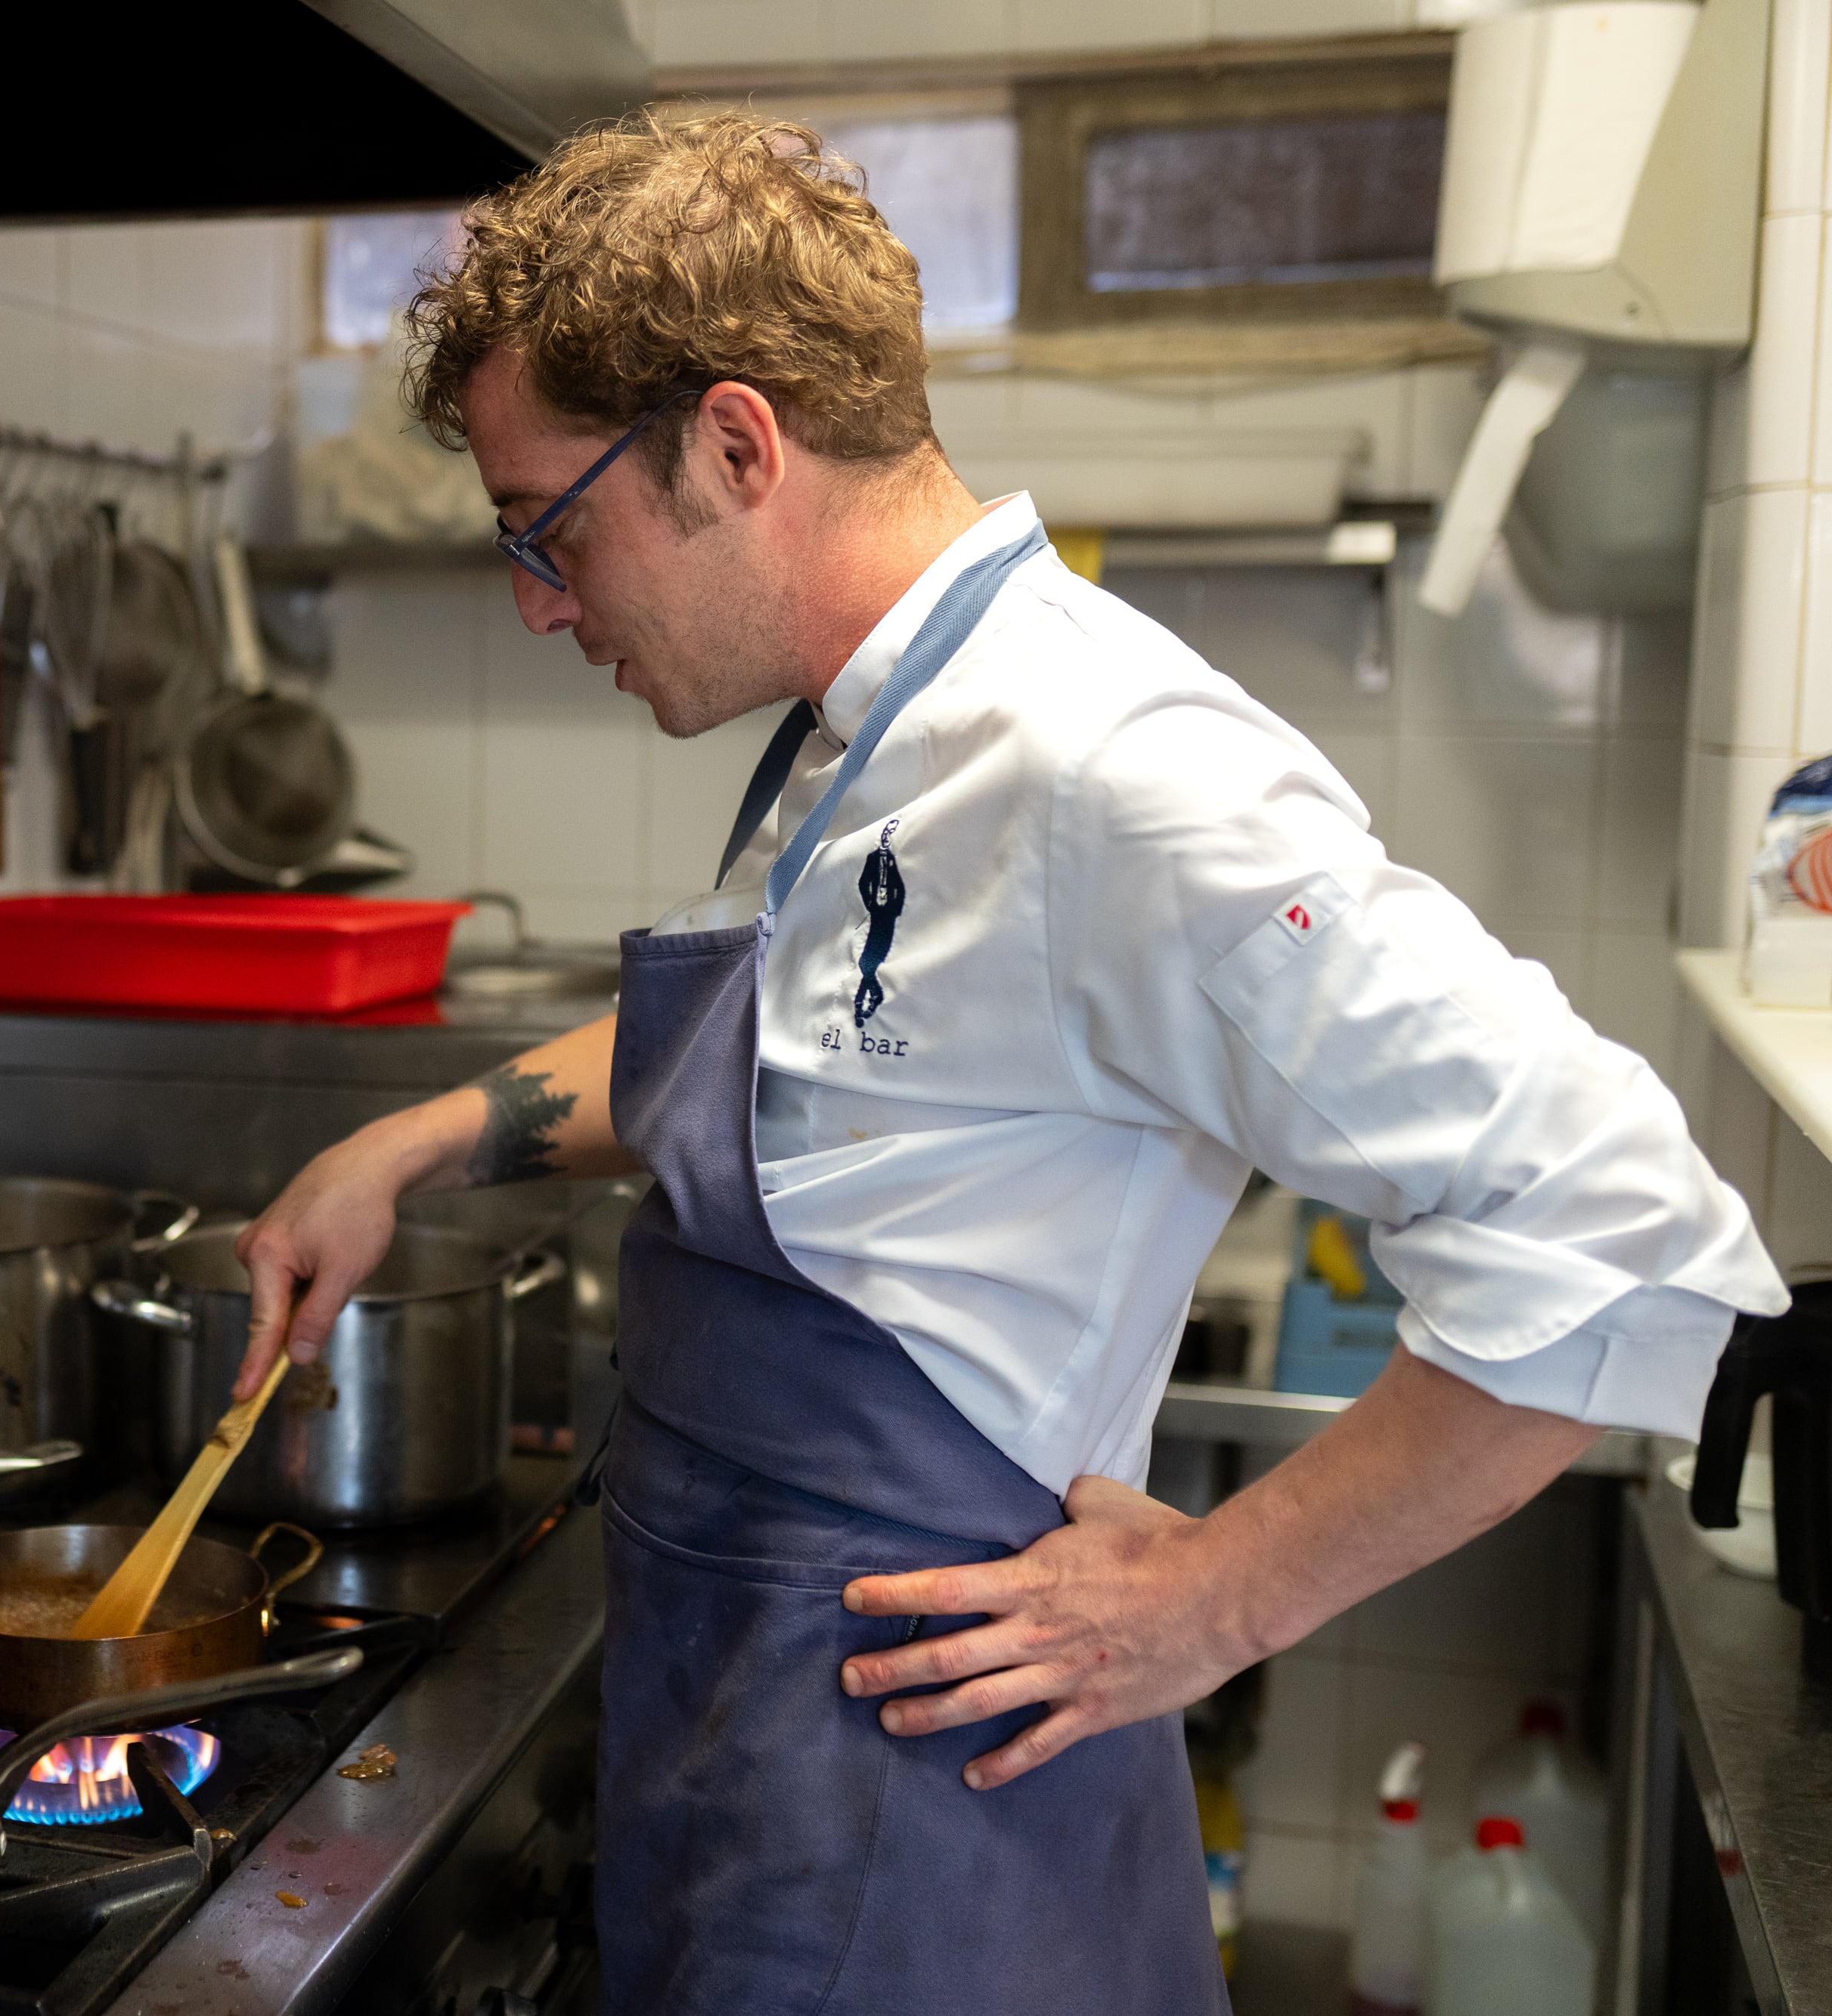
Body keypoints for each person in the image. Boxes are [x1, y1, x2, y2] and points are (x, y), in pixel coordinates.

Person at [230, 113, 1784, 2011]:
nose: (541, 602)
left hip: (930, 1835)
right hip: (744, 1762)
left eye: (547, 530)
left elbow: (1614, 1226)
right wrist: (420, 1137)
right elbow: (782, 1072)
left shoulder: (1107, 766)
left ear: (735, 444)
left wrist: (1215, 1600)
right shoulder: (860, 730)